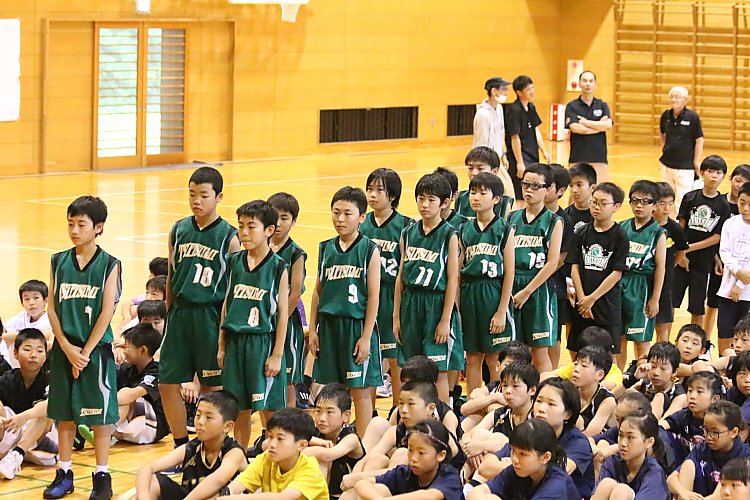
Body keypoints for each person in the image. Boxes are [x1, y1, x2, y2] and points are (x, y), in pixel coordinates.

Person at [159, 166, 241, 460]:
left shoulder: (230, 237)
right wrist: (169, 312)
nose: (197, 200)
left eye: (204, 195)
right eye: (192, 194)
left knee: (212, 387)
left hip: (210, 315)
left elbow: (233, 287)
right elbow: (171, 276)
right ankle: (182, 445)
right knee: (167, 382)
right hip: (180, 314)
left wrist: (224, 329)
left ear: (218, 197)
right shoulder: (178, 229)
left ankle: (211, 447)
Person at [44, 195, 122, 499]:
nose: (74, 230)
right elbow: (52, 308)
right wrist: (65, 347)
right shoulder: (58, 261)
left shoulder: (109, 264)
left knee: (100, 415)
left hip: (95, 353)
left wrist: (85, 353)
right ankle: (64, 472)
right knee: (64, 414)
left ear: (98, 227)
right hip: (64, 350)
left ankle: (102, 476)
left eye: (81, 224)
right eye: (70, 224)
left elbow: (106, 312)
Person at [309, 186, 382, 438]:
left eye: (347, 214)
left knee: (360, 390)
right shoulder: (326, 248)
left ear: (361, 217)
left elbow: (373, 296)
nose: (340, 219)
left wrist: (366, 336)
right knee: (332, 390)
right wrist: (313, 329)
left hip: (355, 327)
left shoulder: (369, 249)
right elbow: (317, 292)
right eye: (336, 212)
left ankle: (364, 445)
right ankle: (335, 440)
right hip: (329, 328)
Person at [395, 173, 462, 402]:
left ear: (444, 203)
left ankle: (440, 414)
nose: (424, 204)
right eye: (421, 198)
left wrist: (445, 320)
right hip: (411, 303)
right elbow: (400, 277)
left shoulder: (449, 234)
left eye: (431, 200)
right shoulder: (408, 233)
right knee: (410, 368)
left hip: (436, 303)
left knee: (437, 369)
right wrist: (396, 317)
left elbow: (452, 279)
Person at [478, 378, 594, 500]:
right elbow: (485, 468)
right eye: (538, 401)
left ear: (568, 413)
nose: (541, 409)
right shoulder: (530, 432)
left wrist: (516, 467)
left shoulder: (578, 443)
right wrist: (522, 466)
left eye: (551, 404)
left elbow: (558, 471)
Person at [360, 168, 414, 406]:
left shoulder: (406, 226)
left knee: (395, 358)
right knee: (369, 356)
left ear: (392, 196)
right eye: (369, 189)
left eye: (379, 190)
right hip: (368, 297)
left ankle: (397, 410)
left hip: (393, 296)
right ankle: (369, 412)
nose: (372, 195)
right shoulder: (362, 224)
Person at [459, 172, 516, 394]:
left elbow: (509, 272)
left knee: (495, 357)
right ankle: (474, 403)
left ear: (496, 199)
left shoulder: (504, 228)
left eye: (483, 193)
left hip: (493, 292)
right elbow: (458, 272)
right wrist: (457, 307)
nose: (476, 197)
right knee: (473, 356)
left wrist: (501, 311)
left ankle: (496, 402)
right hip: (469, 292)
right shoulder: (463, 229)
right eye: (473, 192)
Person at [134, 391, 246, 500]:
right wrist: (144, 497)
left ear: (227, 426)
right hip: (189, 497)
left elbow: (218, 480)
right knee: (151, 483)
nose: (200, 421)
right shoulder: (192, 447)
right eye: (198, 415)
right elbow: (147, 468)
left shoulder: (234, 453)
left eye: (208, 417)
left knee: (217, 494)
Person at [509, 163, 563, 373]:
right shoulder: (512, 218)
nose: (528, 190)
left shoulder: (554, 221)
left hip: (539, 289)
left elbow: (552, 263)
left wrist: (527, 291)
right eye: (525, 185)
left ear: (548, 189)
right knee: (514, 351)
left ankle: (544, 391)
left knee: (539, 353)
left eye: (535, 186)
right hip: (513, 284)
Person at [79, 323, 169, 447]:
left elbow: (132, 394)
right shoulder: (127, 368)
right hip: (132, 426)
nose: (124, 351)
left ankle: (103, 433)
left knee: (126, 394)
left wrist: (104, 402)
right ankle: (87, 433)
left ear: (143, 350)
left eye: (127, 347)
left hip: (153, 426)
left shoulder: (157, 371)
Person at [566, 183, 629, 358]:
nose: (596, 207)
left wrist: (592, 299)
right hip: (582, 305)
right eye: (594, 202)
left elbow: (617, 273)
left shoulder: (620, 236)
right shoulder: (581, 232)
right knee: (577, 352)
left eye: (603, 203)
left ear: (616, 206)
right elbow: (574, 266)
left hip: (606, 305)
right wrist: (582, 299)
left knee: (608, 355)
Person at [673, 155, 731, 330]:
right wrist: (682, 253)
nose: (714, 176)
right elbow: (680, 227)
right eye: (710, 171)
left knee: (697, 307)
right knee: (671, 302)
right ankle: (665, 340)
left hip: (703, 264)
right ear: (702, 172)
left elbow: (717, 237)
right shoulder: (690, 197)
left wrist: (689, 249)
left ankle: (696, 340)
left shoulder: (723, 205)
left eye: (718, 173)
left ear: (723, 176)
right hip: (681, 261)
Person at [223, 407, 330, 499]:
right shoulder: (266, 458)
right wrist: (226, 494)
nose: (272, 444)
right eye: (270, 437)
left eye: (280, 439)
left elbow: (282, 498)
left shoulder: (310, 469)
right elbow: (239, 483)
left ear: (301, 445)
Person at [346, 420, 464, 500]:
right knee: (378, 489)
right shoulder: (403, 473)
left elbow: (429, 496)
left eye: (421, 453)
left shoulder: (450, 477)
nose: (413, 458)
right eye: (410, 450)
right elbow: (362, 484)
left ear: (440, 455)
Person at [468, 418, 579, 500]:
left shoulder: (556, 485)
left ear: (546, 457)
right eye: (513, 451)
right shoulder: (517, 471)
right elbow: (475, 492)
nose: (514, 459)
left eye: (523, 454)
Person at [619, 180, 667, 367]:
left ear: (655, 205)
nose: (639, 205)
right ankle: (619, 377)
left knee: (641, 339)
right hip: (620, 282)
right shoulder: (621, 227)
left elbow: (661, 267)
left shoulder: (658, 233)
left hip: (642, 288)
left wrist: (655, 298)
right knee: (619, 339)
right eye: (635, 200)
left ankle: (644, 377)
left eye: (645, 201)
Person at [267, 192, 308, 410]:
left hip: (288, 324)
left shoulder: (296, 253)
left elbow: (295, 294)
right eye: (275, 217)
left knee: (288, 381)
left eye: (284, 218)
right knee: (265, 378)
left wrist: (278, 321)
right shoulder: (259, 247)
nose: (279, 223)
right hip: (262, 321)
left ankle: (290, 423)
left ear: (294, 221)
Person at [0, 328, 56, 480]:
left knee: (46, 411)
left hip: (41, 436)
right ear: (15, 353)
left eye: (39, 351)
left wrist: (24, 417)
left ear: (45, 356)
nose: (33, 355)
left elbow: (51, 404)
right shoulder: (8, 378)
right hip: (12, 430)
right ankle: (20, 454)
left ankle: (17, 454)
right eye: (27, 349)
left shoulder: (50, 378)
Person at [460, 362, 538, 469]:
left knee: (496, 440)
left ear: (532, 390)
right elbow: (469, 435)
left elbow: (523, 449)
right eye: (505, 386)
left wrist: (481, 446)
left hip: (523, 467)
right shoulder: (501, 413)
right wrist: (473, 448)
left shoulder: (538, 417)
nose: (508, 391)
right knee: (480, 435)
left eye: (515, 386)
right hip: (495, 465)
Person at [668, 401, 750, 498]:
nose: (708, 437)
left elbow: (726, 493)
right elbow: (671, 479)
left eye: (715, 432)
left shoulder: (745, 457)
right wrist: (684, 492)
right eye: (706, 430)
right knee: (688, 465)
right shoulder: (701, 449)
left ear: (733, 432)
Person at [592, 411, 670, 500]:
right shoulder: (612, 462)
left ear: (649, 442)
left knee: (622, 491)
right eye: (621, 435)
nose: (623, 443)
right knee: (606, 484)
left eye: (630, 437)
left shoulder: (655, 473)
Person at [305, 384, 364, 498]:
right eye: (318, 411)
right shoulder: (314, 433)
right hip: (323, 493)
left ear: (346, 416)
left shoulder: (351, 438)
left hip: (347, 495)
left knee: (321, 458)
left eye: (329, 412)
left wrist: (295, 450)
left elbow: (328, 455)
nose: (322, 418)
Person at [544, 164, 574, 370]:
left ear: (560, 191)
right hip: (527, 282)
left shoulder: (565, 221)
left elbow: (561, 258)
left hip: (554, 284)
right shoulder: (521, 216)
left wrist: (537, 275)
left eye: (548, 185)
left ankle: (552, 373)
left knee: (553, 334)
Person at [505, 75, 551, 204]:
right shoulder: (514, 110)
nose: (532, 91)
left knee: (532, 192)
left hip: (532, 156)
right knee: (520, 195)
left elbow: (536, 130)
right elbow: (514, 137)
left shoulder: (531, 107)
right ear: (519, 92)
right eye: (528, 89)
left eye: (532, 88)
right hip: (520, 157)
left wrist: (544, 151)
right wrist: (520, 162)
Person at [660, 371, 723, 465]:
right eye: (690, 390)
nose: (692, 396)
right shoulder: (684, 415)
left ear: (715, 399)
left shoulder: (721, 421)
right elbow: (659, 426)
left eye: (699, 392)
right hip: (684, 463)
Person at [653, 182, 689, 343]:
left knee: (662, 325)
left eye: (670, 203)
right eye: (662, 203)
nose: (666, 208)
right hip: (644, 281)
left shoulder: (675, 229)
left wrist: (669, 266)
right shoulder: (646, 225)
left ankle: (662, 353)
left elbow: (681, 251)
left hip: (665, 284)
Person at [659, 86, 704, 214]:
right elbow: (662, 133)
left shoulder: (692, 117)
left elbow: (699, 139)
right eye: (672, 97)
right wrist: (664, 148)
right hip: (666, 165)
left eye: (677, 97)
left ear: (685, 100)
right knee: (667, 200)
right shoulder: (666, 115)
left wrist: (696, 161)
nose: (674, 99)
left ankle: (682, 226)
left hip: (685, 168)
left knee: (682, 201)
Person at [717, 181, 750, 354]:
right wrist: (737, 272)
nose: (745, 208)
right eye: (742, 203)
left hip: (747, 293)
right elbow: (725, 252)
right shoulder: (730, 224)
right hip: (727, 290)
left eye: (749, 204)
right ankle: (725, 365)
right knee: (724, 331)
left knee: (745, 336)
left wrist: (741, 284)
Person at [565, 70, 613, 183]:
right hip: (578, 157)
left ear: (595, 85)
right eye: (585, 81)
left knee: (601, 190)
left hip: (599, 157)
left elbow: (607, 125)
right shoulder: (572, 106)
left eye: (591, 81)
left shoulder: (602, 105)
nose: (588, 84)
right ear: (579, 84)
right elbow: (575, 128)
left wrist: (586, 122)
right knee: (576, 190)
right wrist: (599, 127)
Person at [624, 342, 686, 420]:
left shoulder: (679, 395)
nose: (656, 373)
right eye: (653, 366)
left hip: (659, 426)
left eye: (663, 368)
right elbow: (618, 397)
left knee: (659, 397)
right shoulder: (644, 383)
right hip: (636, 423)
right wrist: (634, 378)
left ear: (674, 372)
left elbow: (667, 422)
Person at [1, 280, 52, 369]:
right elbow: (2, 333)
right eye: (26, 299)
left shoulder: (49, 319)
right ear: (22, 303)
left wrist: (13, 337)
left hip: (38, 369)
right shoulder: (21, 316)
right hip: (13, 368)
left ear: (45, 300)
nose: (31, 302)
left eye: (36, 298)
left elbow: (42, 337)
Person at [455, 146, 515, 220]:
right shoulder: (461, 198)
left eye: (480, 168)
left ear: (494, 171)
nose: (474, 173)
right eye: (470, 168)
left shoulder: (504, 203)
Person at [572, 346, 615, 437]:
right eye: (575, 364)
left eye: (584, 366)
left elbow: (589, 434)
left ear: (599, 375)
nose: (576, 369)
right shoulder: (569, 391)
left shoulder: (607, 401)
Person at [119, 256, 168, 327]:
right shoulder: (146, 298)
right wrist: (127, 318)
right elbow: (126, 304)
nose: (149, 277)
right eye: (147, 293)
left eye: (151, 275)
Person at [473, 76, 510, 161]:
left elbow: (501, 133)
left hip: (497, 157)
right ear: (494, 91)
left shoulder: (499, 108)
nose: (506, 92)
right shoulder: (483, 114)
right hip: (485, 159)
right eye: (503, 89)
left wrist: (503, 155)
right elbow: (482, 144)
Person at [566, 163, 597, 234]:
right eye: (571, 185)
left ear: (592, 188)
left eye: (579, 185)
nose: (574, 190)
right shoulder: (565, 215)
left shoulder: (599, 215)